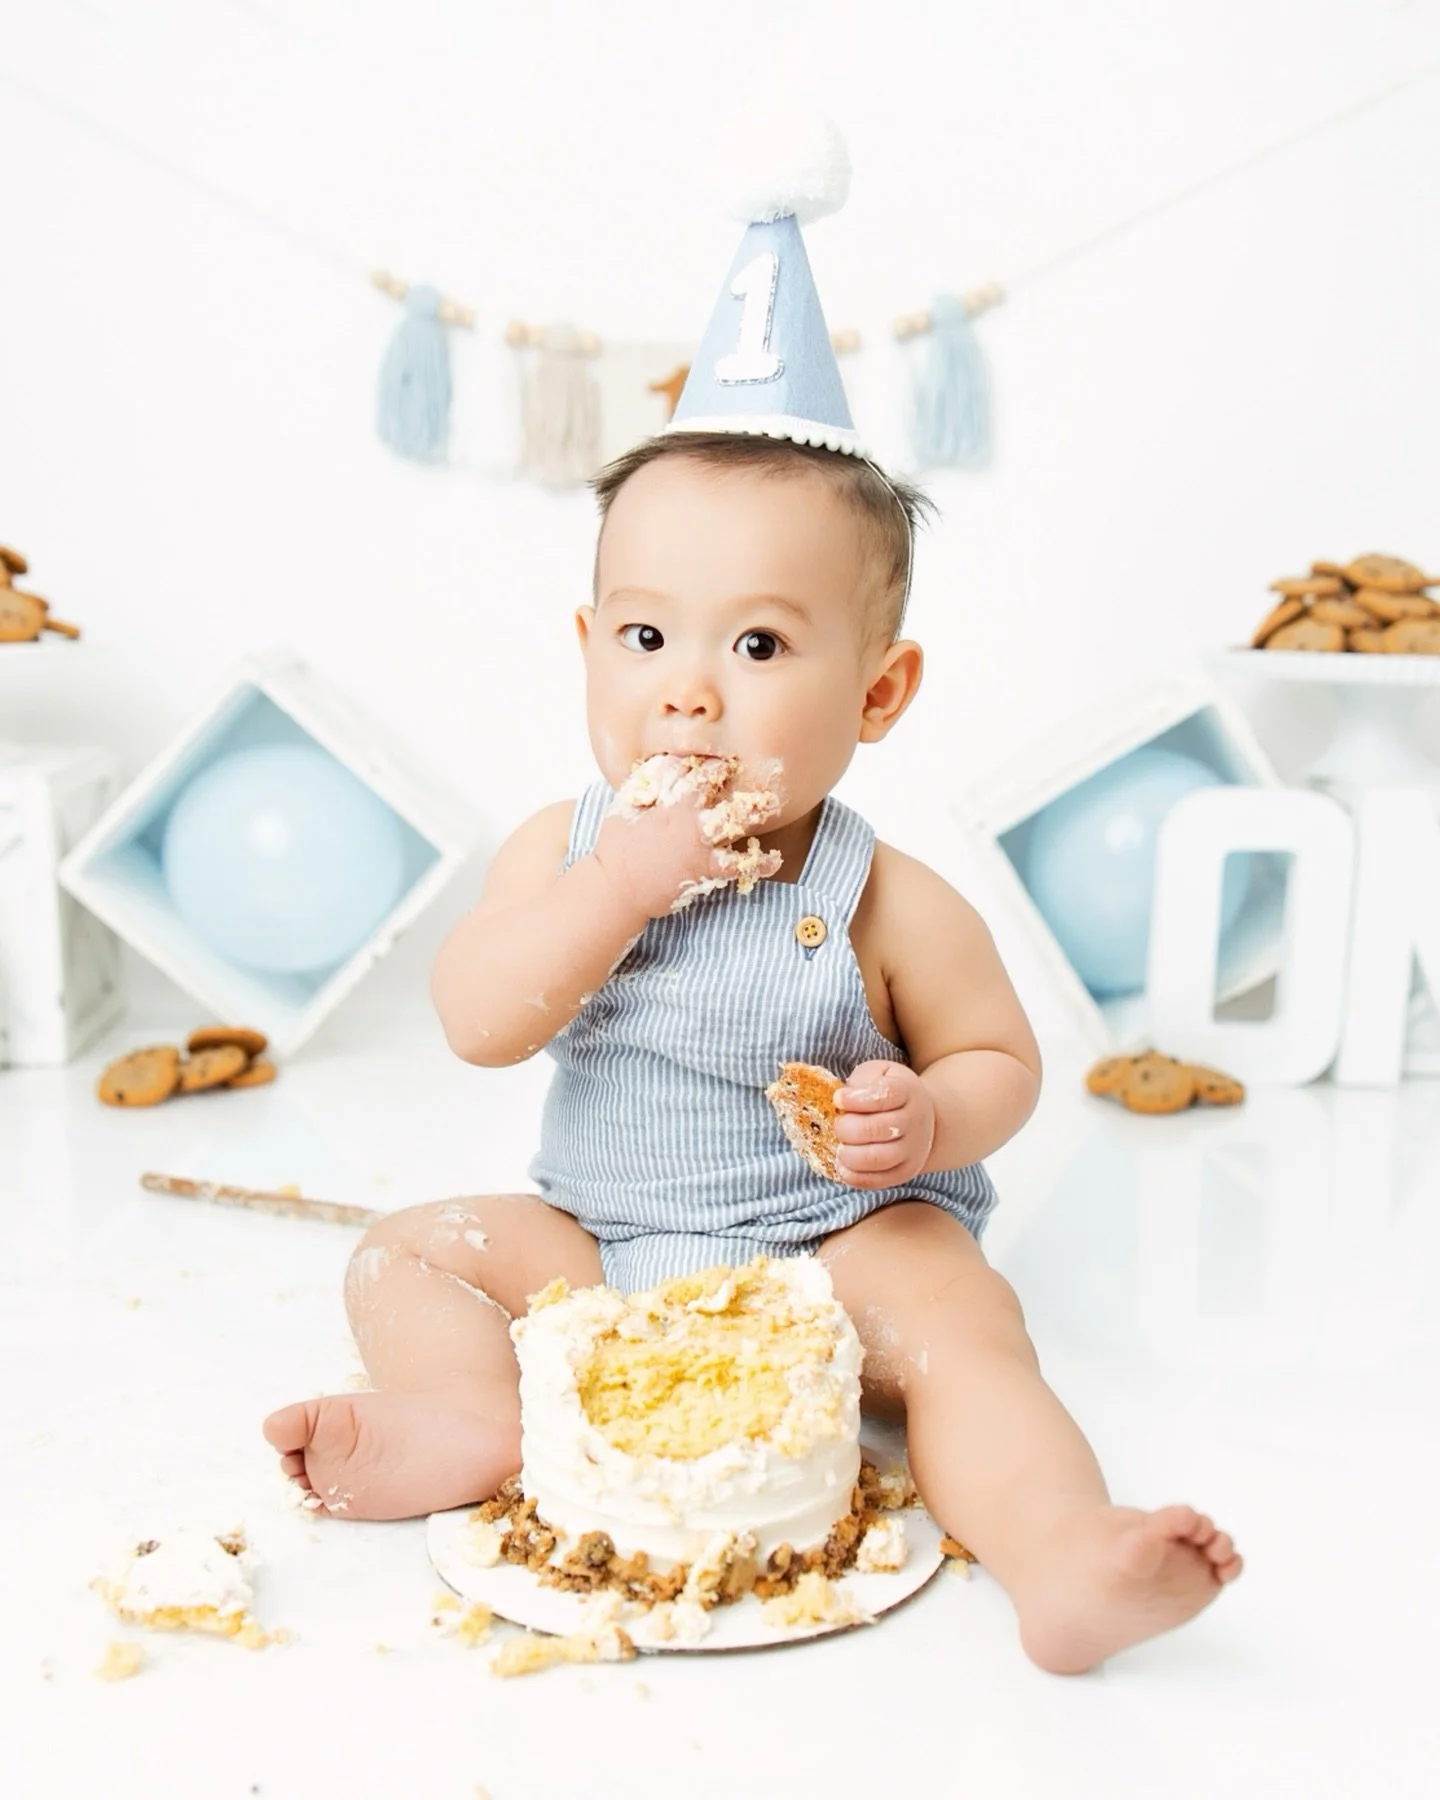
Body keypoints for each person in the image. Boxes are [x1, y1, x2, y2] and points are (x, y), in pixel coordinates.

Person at [264, 147, 1241, 1674]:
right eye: (647, 633)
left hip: (835, 1241)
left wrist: (924, 1123)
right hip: (607, 1249)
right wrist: (613, 888)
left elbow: (1002, 1062)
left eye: (764, 645)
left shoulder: (884, 897)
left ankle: (1059, 1553)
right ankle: (467, 1421)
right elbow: (476, 1020)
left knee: (965, 1327)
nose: (691, 689)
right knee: (409, 1251)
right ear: (588, 646)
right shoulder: (562, 846)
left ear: (881, 691)